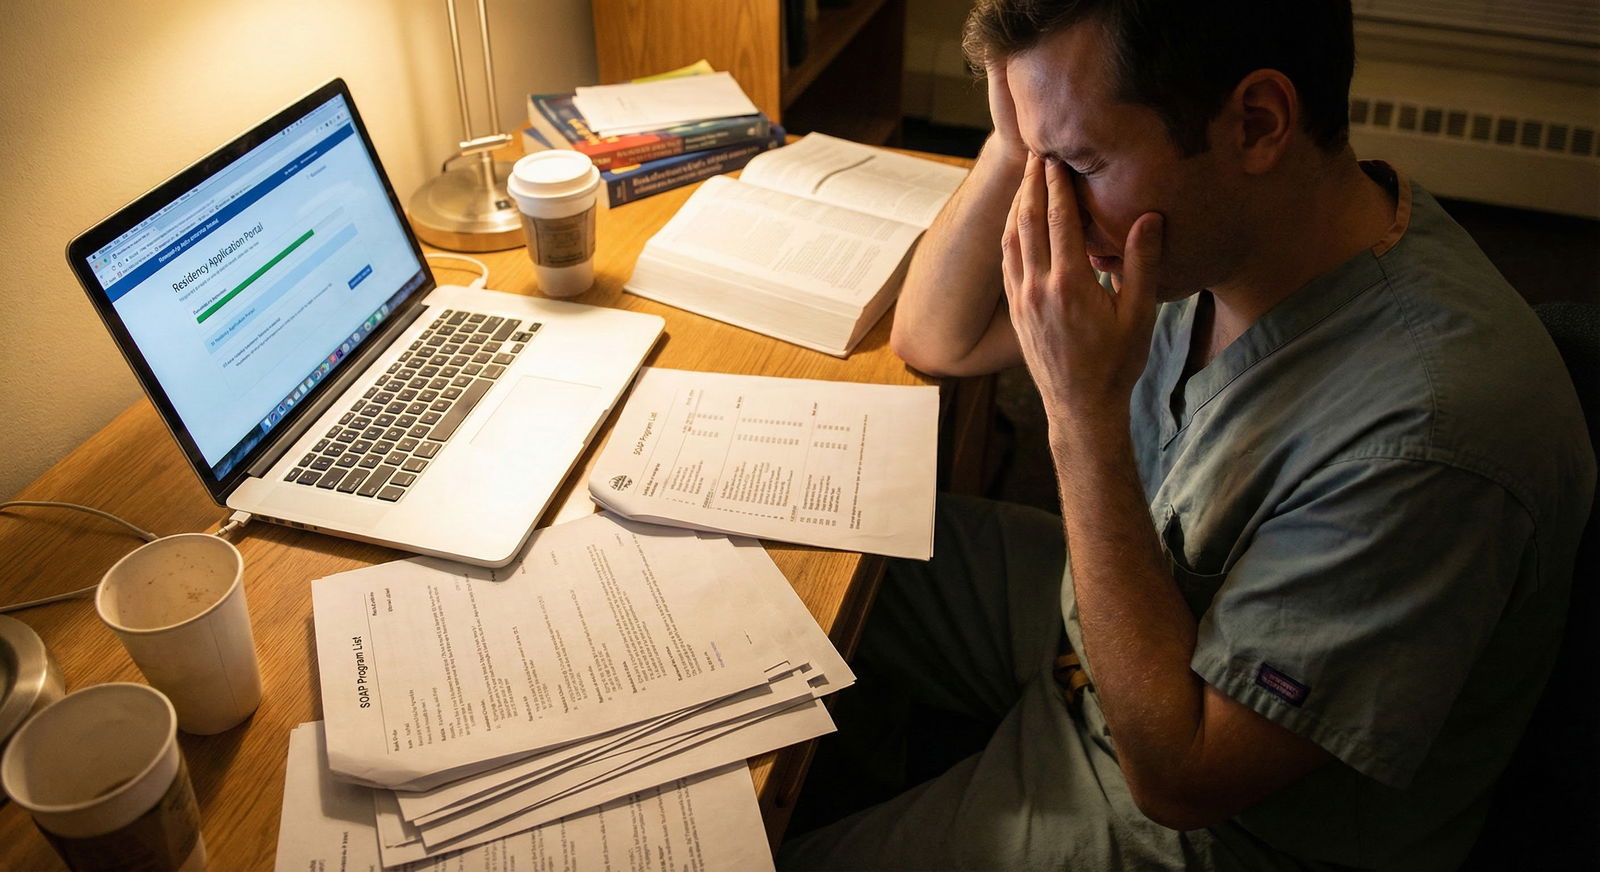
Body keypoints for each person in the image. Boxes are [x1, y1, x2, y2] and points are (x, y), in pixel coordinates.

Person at [777, 1, 1595, 870]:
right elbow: (935, 336)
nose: (1049, 201)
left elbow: (1181, 777)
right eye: (1036, 158)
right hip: (1118, 625)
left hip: (1205, 814)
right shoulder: (1225, 235)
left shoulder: (1432, 433)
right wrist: (1024, 137)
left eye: (1081, 161)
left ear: (1256, 125)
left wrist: (1081, 420)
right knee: (804, 552)